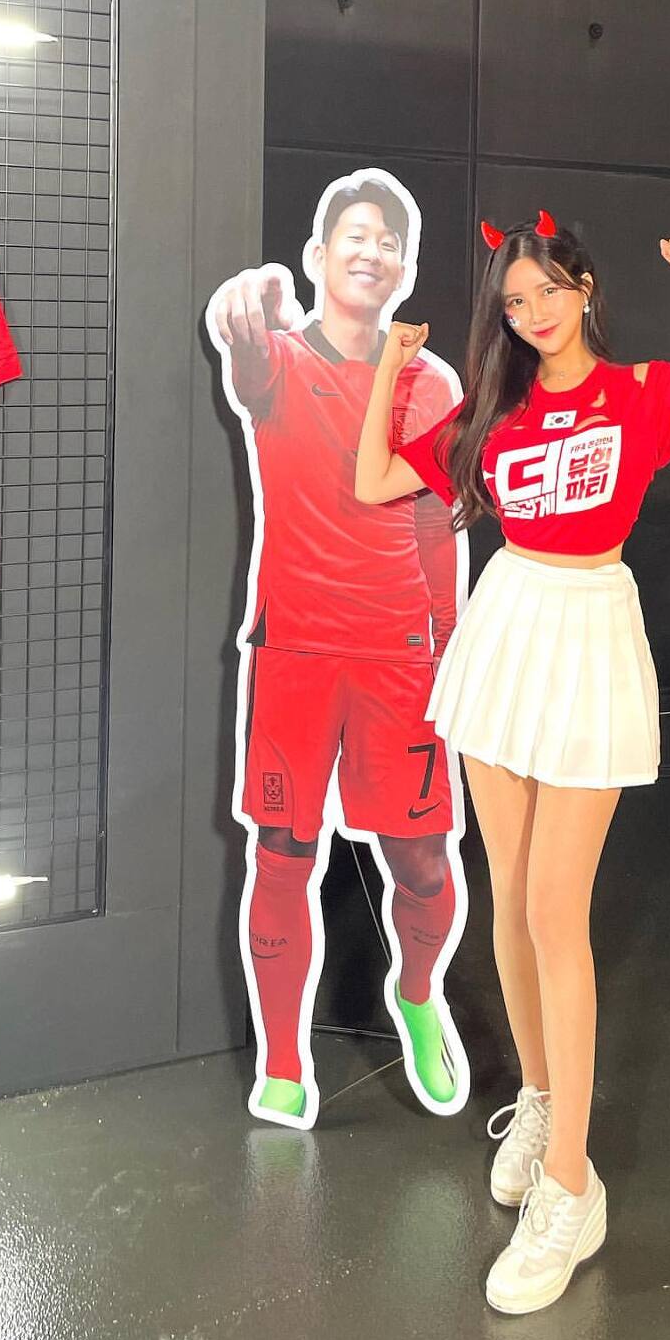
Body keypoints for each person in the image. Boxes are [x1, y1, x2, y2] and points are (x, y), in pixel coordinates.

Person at [355, 211, 670, 1314]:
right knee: (509, 901)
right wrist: (390, 370)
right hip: (506, 626)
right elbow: (372, 482)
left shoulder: (641, 390)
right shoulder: (495, 410)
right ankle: (544, 1102)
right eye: (514, 302)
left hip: (589, 628)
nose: (533, 314)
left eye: (548, 291)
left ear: (585, 286)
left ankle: (570, 1190)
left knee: (558, 913)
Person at [206, 169, 469, 1132]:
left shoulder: (431, 382)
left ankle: (418, 995)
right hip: (296, 655)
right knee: (282, 853)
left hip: (400, 659)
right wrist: (257, 295)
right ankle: (283, 1061)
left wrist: (449, 652)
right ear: (322, 256)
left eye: (389, 242)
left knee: (424, 863)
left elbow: (438, 526)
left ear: (404, 270)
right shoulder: (278, 361)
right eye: (355, 235)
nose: (372, 251)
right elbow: (243, 336)